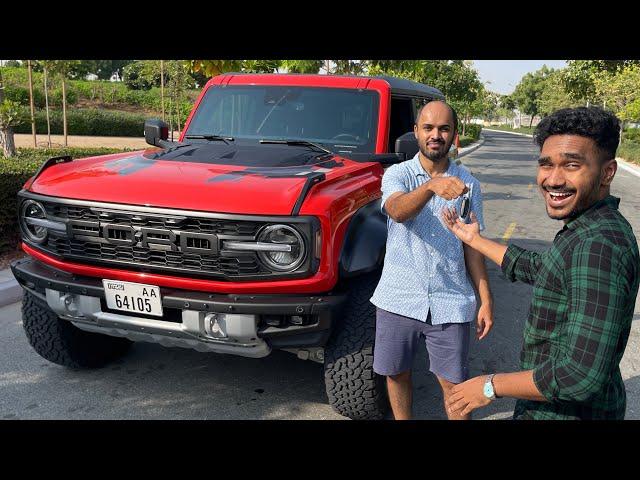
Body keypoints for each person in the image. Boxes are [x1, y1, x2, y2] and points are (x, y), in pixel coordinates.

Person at [441, 106, 640, 420]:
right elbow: (540, 267)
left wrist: (490, 386)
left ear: (607, 172)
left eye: (572, 165)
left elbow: (578, 375)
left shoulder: (599, 246)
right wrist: (474, 240)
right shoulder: (586, 229)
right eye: (546, 164)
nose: (553, 179)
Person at [370, 100, 494, 420]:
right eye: (428, 128)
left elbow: (472, 246)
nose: (435, 135)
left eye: (443, 128)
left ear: (454, 135)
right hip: (398, 297)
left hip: (450, 300)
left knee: (456, 388)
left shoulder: (469, 185)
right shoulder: (397, 175)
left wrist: (485, 299)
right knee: (396, 373)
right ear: (416, 132)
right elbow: (397, 211)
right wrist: (430, 187)